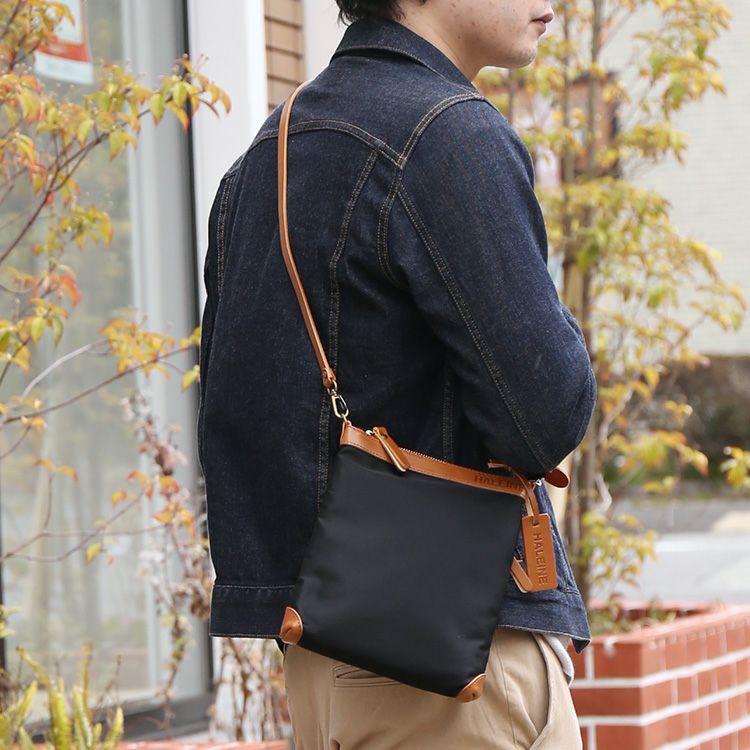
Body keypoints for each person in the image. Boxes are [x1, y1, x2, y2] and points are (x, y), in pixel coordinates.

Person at [197, 0, 596, 746]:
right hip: (453, 666)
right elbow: (545, 415)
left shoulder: (266, 155)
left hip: (324, 659)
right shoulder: (450, 136)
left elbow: (240, 416)